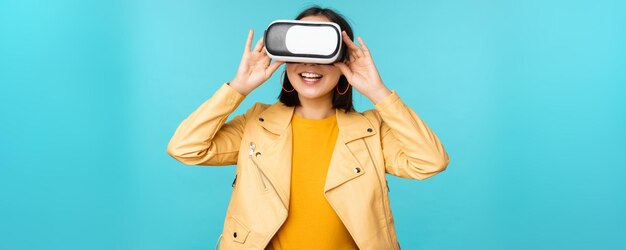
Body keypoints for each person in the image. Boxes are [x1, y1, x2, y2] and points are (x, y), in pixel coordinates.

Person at [166, 6, 450, 250]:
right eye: (300, 49)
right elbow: (185, 147)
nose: (309, 63)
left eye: (322, 51)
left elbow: (430, 161)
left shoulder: (371, 130)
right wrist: (238, 88)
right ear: (286, 59)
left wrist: (379, 92)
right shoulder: (256, 124)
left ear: (343, 62)